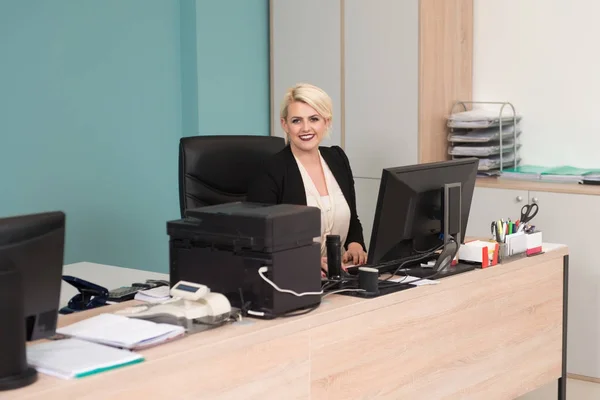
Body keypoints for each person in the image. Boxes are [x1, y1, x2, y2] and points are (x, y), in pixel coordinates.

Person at [247, 83, 368, 274]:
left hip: (339, 275)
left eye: (314, 119)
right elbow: (259, 240)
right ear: (284, 124)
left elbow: (352, 219)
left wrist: (355, 245)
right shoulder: (272, 169)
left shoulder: (337, 159)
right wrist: (308, 260)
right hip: (293, 278)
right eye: (296, 121)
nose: (306, 128)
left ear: (326, 122)